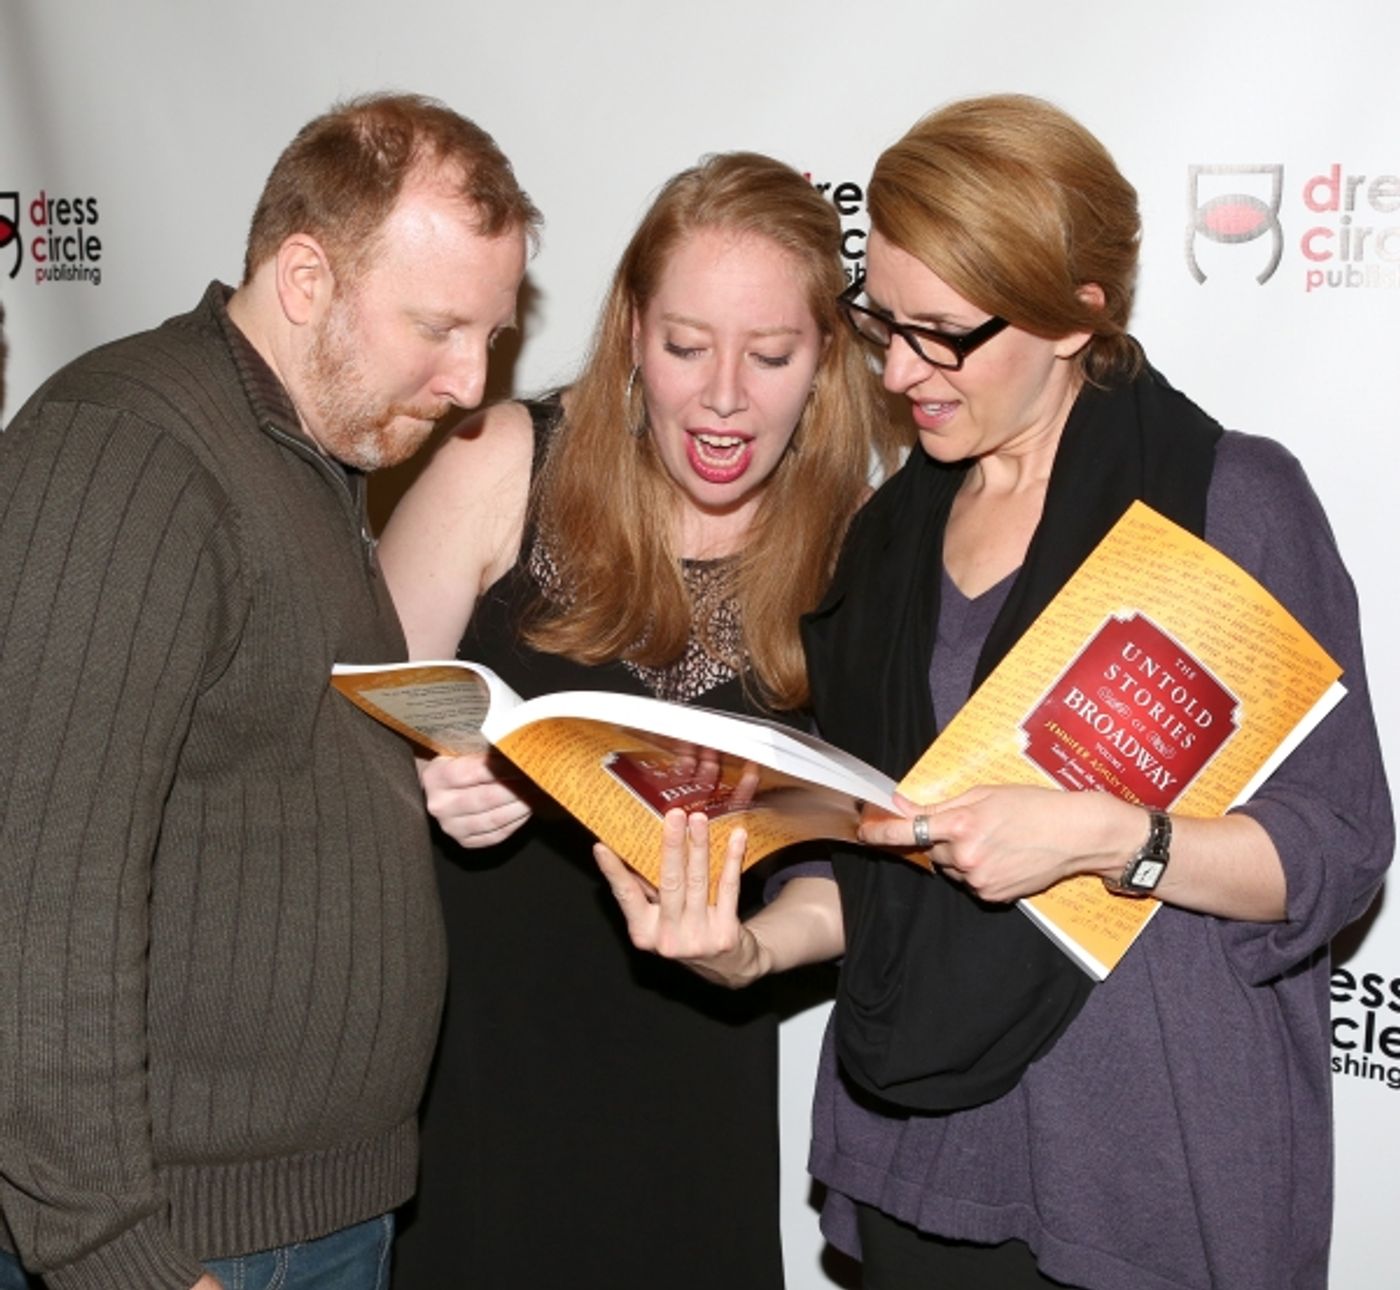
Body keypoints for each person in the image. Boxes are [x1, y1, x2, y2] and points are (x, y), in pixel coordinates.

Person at [600, 96, 1393, 1290]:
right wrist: (749, 953)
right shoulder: (885, 536)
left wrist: (1103, 841)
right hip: (929, 1156)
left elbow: (1336, 851)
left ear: (1076, 319)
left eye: (945, 336)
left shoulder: (1224, 504)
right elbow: (864, 856)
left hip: (1154, 1170)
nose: (902, 372)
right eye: (884, 327)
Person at [0, 92, 538, 1290]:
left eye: (493, 336)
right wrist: (109, 1253)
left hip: (305, 1219)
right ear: (306, 276)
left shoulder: (306, 454)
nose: (469, 381)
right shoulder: (125, 453)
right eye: (440, 327)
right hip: (183, 1242)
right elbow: (38, 895)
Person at [377, 150, 898, 1288]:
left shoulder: (860, 545)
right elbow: (347, 733)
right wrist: (423, 788)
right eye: (683, 346)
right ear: (629, 338)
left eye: (769, 355)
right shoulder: (503, 461)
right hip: (464, 1058)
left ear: (823, 362)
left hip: (689, 1069)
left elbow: (866, 859)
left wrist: (753, 948)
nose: (722, 394)